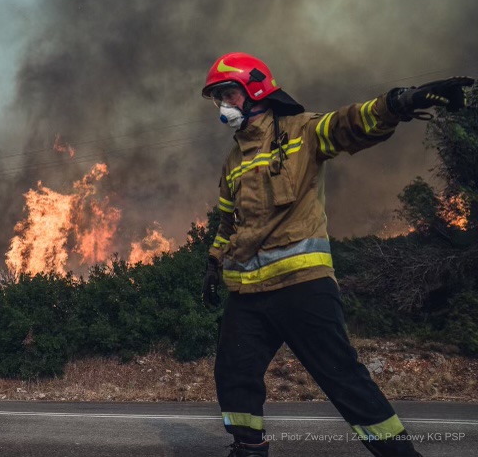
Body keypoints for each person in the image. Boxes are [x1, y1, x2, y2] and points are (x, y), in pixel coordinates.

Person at [200, 52, 474, 457]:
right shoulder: (232, 162)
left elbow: (350, 122)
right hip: (247, 292)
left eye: (228, 94)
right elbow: (228, 222)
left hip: (300, 286)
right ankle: (249, 447)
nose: (223, 106)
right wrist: (213, 260)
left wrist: (400, 102)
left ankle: (399, 454)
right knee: (233, 375)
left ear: (255, 90)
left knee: (341, 378)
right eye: (217, 98)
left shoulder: (301, 131)